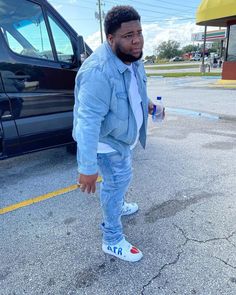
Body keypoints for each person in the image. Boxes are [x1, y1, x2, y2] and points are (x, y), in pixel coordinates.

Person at [73, 5, 157, 262]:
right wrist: (87, 167)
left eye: (139, 32)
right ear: (111, 39)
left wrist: (151, 105)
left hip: (122, 140)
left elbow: (135, 91)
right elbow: (87, 123)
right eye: (128, 35)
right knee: (116, 182)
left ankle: (118, 205)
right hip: (106, 144)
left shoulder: (132, 57)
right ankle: (112, 239)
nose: (136, 40)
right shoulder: (97, 72)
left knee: (121, 179)